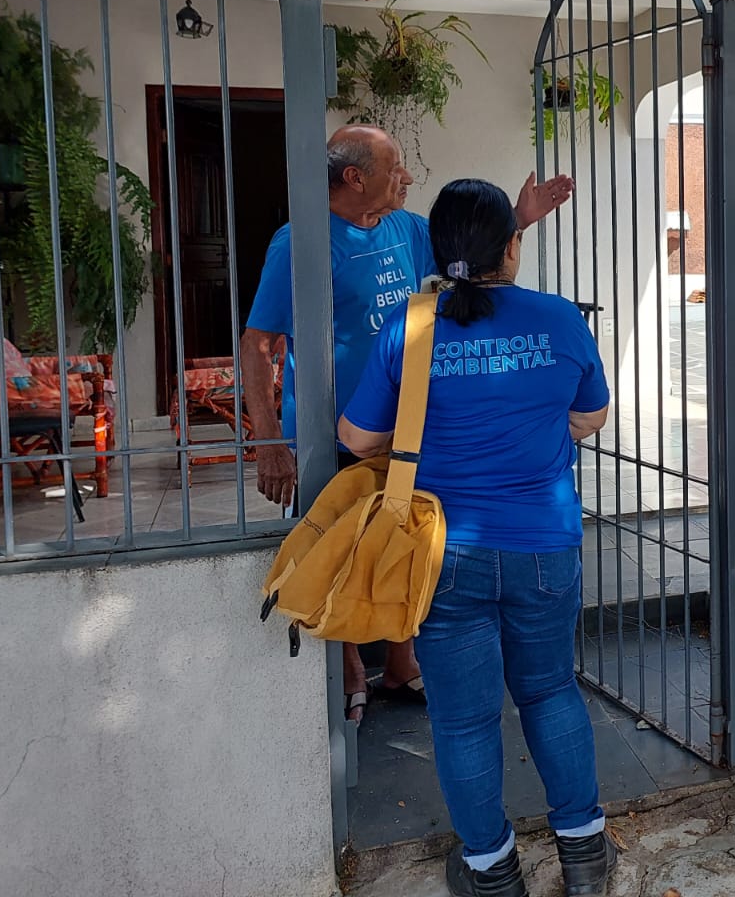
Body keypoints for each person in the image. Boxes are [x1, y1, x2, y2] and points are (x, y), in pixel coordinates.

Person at [338, 178, 614, 897]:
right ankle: (585, 859)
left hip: (443, 557)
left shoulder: (412, 325)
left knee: (463, 721)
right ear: (512, 247)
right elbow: (591, 417)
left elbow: (356, 435)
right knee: (552, 692)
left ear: (436, 251)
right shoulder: (558, 319)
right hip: (544, 547)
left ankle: (492, 873)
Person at [241, 126, 573, 722]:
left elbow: (468, 257)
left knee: (402, 536)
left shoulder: (404, 228)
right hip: (332, 431)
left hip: (404, 424)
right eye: (395, 167)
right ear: (353, 177)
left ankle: (399, 665)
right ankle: (347, 673)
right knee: (341, 543)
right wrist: (269, 443)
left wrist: (517, 219)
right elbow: (258, 344)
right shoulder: (299, 244)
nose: (408, 178)